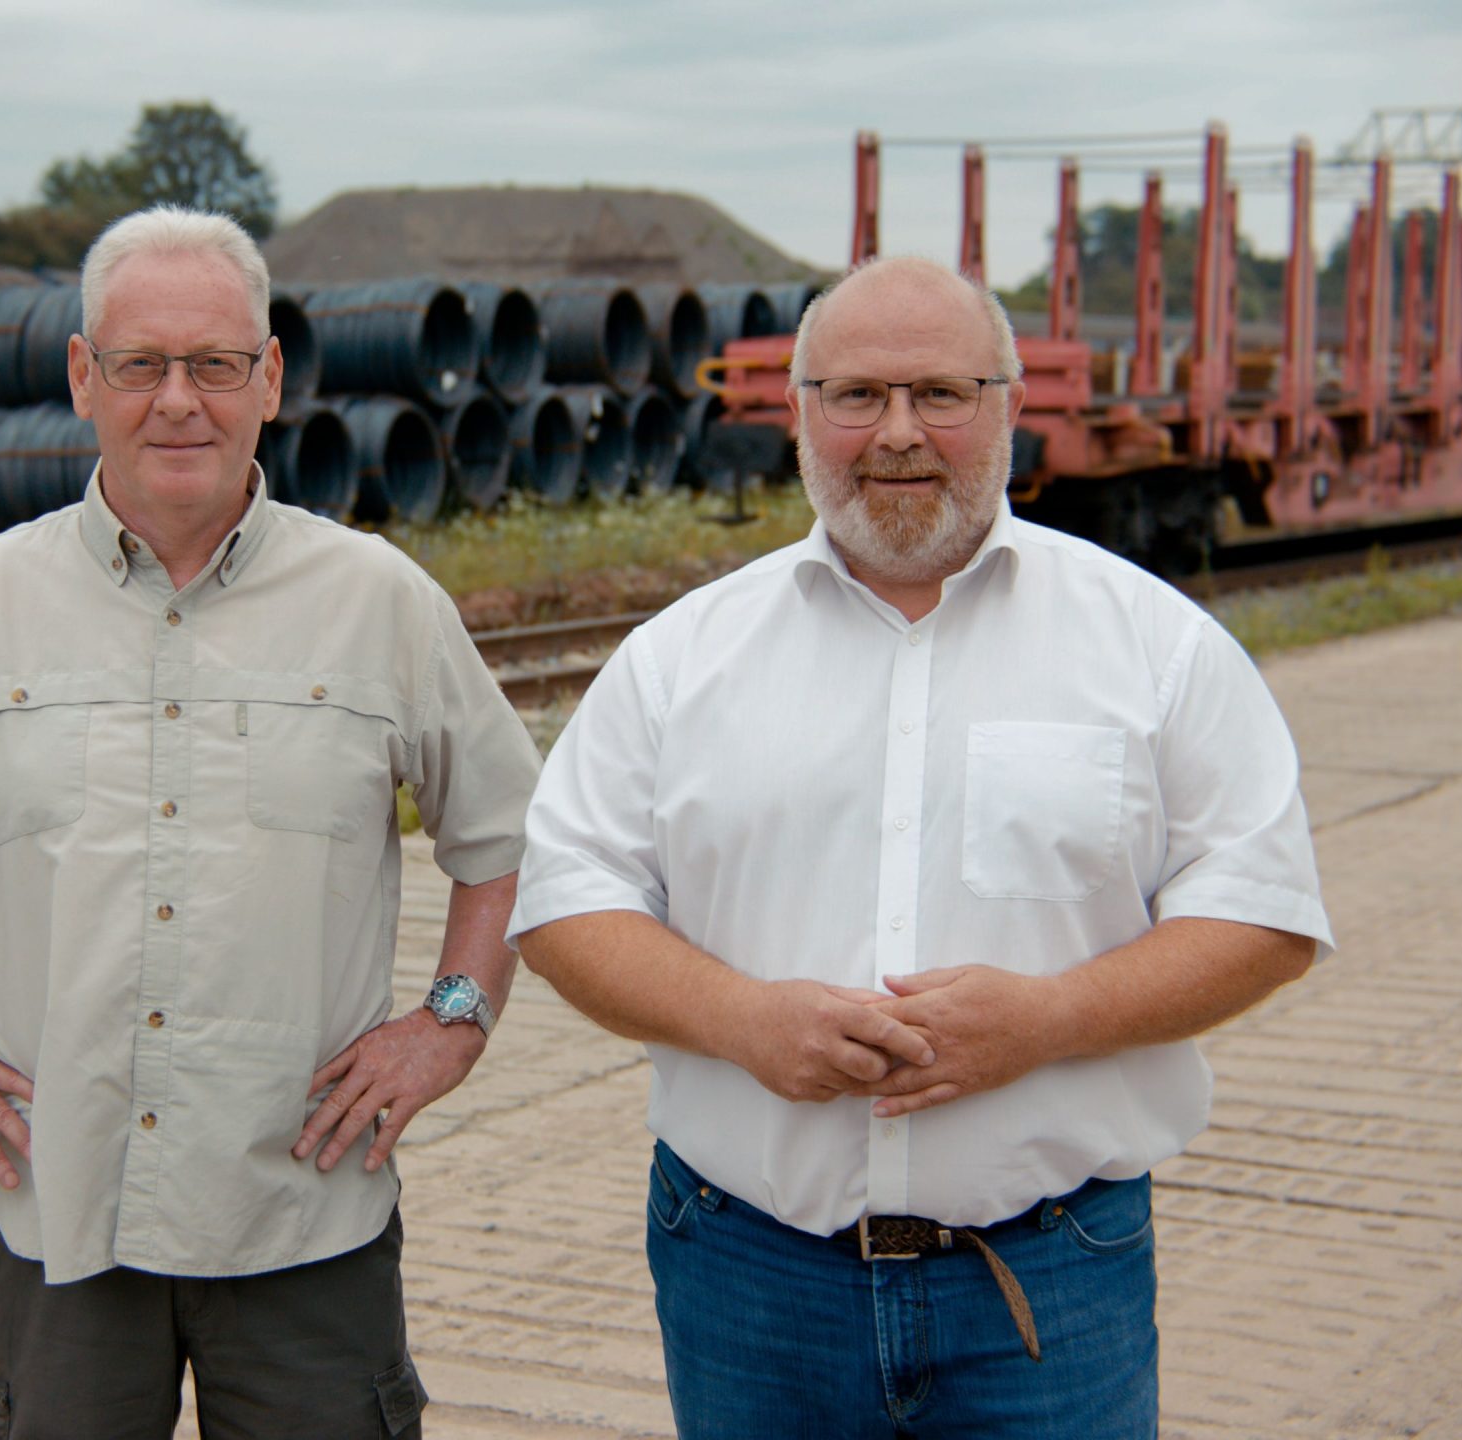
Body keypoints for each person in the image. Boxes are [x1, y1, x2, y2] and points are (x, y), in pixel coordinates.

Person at [508, 254, 1332, 1439]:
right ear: (796, 414)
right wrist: (745, 1023)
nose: (897, 433)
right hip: (752, 1276)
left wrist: (1049, 1022)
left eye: (941, 394)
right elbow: (566, 901)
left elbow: (1262, 914)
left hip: (1049, 1276)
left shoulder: (1155, 646)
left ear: (1007, 405)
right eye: (854, 396)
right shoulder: (680, 659)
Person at [0, 204, 541, 1440]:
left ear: (270, 378)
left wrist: (449, 1023)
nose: (180, 401)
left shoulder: (379, 602)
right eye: (140, 365)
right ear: (84, 377)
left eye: (217, 365)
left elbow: (511, 838)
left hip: (304, 1212)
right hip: (58, 1216)